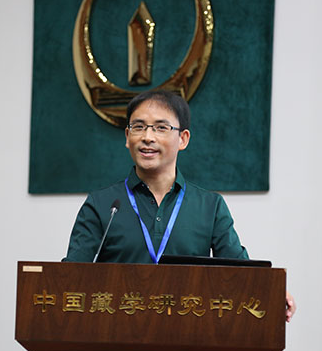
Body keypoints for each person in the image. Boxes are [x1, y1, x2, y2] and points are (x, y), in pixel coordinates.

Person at [64, 89, 296, 322]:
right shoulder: (101, 204)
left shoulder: (210, 207)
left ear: (183, 139)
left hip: (188, 332)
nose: (148, 137)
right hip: (114, 332)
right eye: (138, 127)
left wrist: (271, 292)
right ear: (127, 136)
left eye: (161, 127)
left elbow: (241, 272)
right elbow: (69, 278)